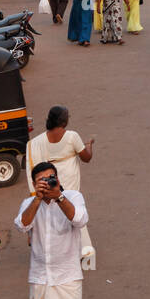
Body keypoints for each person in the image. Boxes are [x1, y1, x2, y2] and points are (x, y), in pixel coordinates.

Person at [14, 162, 89, 299]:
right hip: (39, 278)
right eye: (42, 180)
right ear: (34, 184)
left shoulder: (73, 196)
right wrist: (37, 199)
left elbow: (80, 220)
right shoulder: (29, 202)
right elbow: (21, 226)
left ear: (57, 178)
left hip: (67, 278)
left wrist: (58, 197)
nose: (47, 183)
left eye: (51, 178)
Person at [26, 105, 95, 258]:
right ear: (64, 121)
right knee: (73, 210)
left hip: (49, 179)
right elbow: (86, 158)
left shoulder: (37, 142)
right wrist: (89, 145)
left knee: (54, 212)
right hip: (69, 180)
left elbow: (33, 169)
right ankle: (83, 251)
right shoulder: (72, 136)